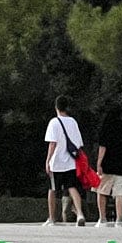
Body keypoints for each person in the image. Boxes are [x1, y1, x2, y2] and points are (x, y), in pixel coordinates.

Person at [43, 96, 86, 227]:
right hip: (71, 162)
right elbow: (79, 143)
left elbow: (52, 143)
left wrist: (48, 160)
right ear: (67, 107)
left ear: (56, 107)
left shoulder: (54, 122)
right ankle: (80, 214)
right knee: (72, 187)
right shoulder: (73, 122)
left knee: (53, 189)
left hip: (57, 163)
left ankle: (51, 218)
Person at [94, 105, 122, 228]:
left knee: (102, 191)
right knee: (120, 193)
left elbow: (103, 147)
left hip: (107, 164)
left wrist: (99, 163)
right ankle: (118, 220)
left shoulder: (106, 127)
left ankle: (102, 219)